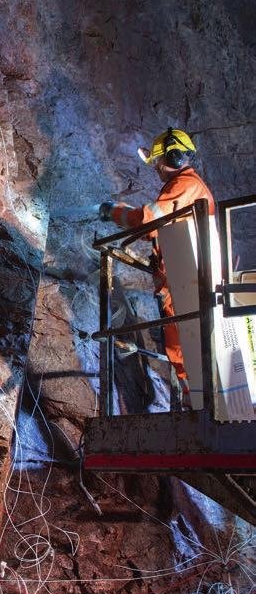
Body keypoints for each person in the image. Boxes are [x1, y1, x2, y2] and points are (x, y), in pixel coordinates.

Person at [98, 127, 215, 407]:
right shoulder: (189, 186)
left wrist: (113, 211)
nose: (158, 170)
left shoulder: (185, 185)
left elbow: (147, 221)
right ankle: (195, 404)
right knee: (180, 345)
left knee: (184, 346)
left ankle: (199, 407)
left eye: (159, 162)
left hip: (187, 279)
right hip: (182, 277)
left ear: (173, 157)